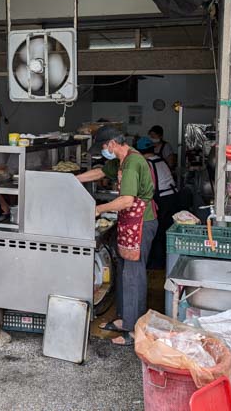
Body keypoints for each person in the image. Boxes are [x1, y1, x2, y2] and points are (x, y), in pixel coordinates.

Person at [77, 126, 157, 346]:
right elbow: (102, 171)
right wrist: (75, 180)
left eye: (103, 147)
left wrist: (98, 209)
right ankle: (124, 319)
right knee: (124, 270)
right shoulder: (121, 160)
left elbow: (127, 201)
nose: (104, 152)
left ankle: (133, 331)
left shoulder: (132, 162)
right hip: (130, 222)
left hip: (141, 222)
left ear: (112, 144)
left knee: (134, 274)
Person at [136, 136, 179, 270]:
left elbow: (150, 187)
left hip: (162, 199)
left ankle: (156, 264)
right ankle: (164, 262)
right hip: (172, 197)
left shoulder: (147, 163)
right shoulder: (160, 160)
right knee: (164, 231)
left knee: (157, 233)